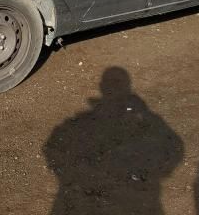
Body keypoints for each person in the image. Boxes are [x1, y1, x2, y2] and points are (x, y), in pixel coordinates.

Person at [44, 67, 184, 214]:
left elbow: (52, 146)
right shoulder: (85, 122)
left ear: (101, 87)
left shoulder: (81, 122)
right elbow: (175, 146)